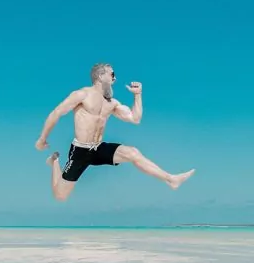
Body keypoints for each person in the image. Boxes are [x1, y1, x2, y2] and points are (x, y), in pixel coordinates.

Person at [35, 62, 195, 201]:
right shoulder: (82, 94)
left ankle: (170, 179)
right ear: (100, 76)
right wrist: (42, 139)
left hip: (98, 148)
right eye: (112, 74)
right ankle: (54, 162)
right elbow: (56, 113)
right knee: (60, 196)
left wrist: (138, 95)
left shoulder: (111, 103)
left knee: (133, 153)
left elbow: (135, 118)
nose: (115, 78)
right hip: (80, 151)